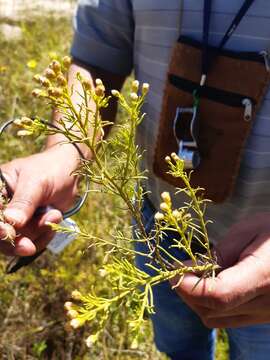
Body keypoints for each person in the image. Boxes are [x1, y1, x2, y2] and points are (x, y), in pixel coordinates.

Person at [2, 1, 270, 359]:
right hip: (157, 227)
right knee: (178, 348)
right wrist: (66, 149)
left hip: (262, 247)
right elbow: (98, 59)